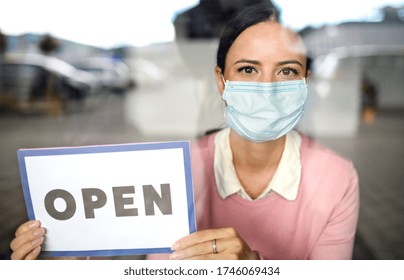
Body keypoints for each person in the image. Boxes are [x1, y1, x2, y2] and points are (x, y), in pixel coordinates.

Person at [10, 2, 359, 260]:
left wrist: (254, 267)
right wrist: (55, 261)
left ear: (305, 81)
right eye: (248, 70)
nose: (266, 90)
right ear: (220, 80)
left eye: (286, 72)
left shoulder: (335, 179)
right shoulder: (177, 171)